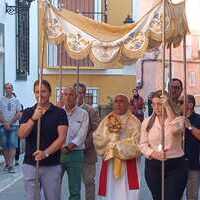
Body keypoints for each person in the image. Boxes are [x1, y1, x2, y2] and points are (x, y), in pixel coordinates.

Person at [18, 80, 68, 200]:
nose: (40, 94)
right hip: (31, 164)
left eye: (43, 91)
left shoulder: (59, 113)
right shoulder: (28, 112)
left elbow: (62, 138)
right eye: (37, 92)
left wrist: (45, 153)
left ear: (50, 93)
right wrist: (33, 119)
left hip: (52, 164)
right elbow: (21, 134)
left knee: (52, 197)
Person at [139, 90, 188, 200]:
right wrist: (153, 153)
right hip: (154, 166)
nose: (157, 107)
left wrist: (168, 107)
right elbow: (142, 144)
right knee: (157, 197)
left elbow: (175, 130)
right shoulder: (147, 122)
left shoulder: (180, 119)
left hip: (175, 164)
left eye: (160, 104)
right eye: (154, 104)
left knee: (172, 197)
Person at [93, 94, 141, 200]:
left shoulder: (134, 122)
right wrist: (110, 143)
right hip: (110, 162)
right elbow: (97, 138)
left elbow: (138, 143)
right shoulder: (106, 120)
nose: (118, 104)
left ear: (128, 105)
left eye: (121, 101)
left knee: (128, 192)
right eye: (116, 101)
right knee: (110, 189)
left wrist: (116, 147)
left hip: (128, 164)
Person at [61, 86, 89, 200]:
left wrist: (69, 147)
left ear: (76, 97)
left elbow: (82, 134)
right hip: (58, 153)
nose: (68, 97)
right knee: (53, 186)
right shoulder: (58, 112)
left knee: (75, 189)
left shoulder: (83, 114)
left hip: (76, 154)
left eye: (71, 95)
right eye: (65, 94)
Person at [74, 83, 100, 200]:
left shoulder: (91, 111)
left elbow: (96, 130)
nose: (78, 95)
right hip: (71, 153)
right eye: (76, 92)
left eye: (80, 92)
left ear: (84, 94)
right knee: (74, 183)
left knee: (89, 181)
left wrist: (84, 144)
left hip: (87, 153)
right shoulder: (67, 110)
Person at [179, 95, 200, 200]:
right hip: (176, 164)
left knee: (192, 196)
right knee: (174, 195)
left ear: (190, 105)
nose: (179, 104)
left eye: (182, 102)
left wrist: (190, 127)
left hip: (193, 164)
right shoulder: (176, 118)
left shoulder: (198, 118)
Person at [0, 83, 21, 173]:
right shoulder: (1, 100)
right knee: (4, 145)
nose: (8, 89)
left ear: (12, 89)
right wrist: (5, 123)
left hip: (14, 125)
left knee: (12, 144)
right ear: (4, 89)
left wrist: (10, 123)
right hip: (2, 125)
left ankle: (11, 165)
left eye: (9, 88)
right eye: (6, 88)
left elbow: (18, 113)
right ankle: (7, 163)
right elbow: (0, 112)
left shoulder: (16, 100)